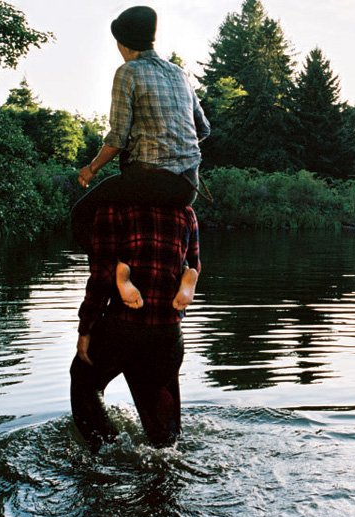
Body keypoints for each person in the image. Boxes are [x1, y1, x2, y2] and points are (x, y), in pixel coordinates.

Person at [71, 5, 210, 260]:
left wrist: (91, 169)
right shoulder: (178, 72)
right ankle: (183, 270)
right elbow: (203, 128)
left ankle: (113, 269)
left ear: (122, 43)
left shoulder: (128, 72)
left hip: (148, 181)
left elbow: (118, 138)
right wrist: (175, 146)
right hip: (188, 186)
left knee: (81, 215)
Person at [70, 201, 200, 452]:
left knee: (84, 379)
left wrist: (85, 329)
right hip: (168, 330)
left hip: (124, 327)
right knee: (164, 435)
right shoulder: (185, 211)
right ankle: (165, 456)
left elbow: (101, 276)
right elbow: (195, 260)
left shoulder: (114, 207)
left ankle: (106, 448)